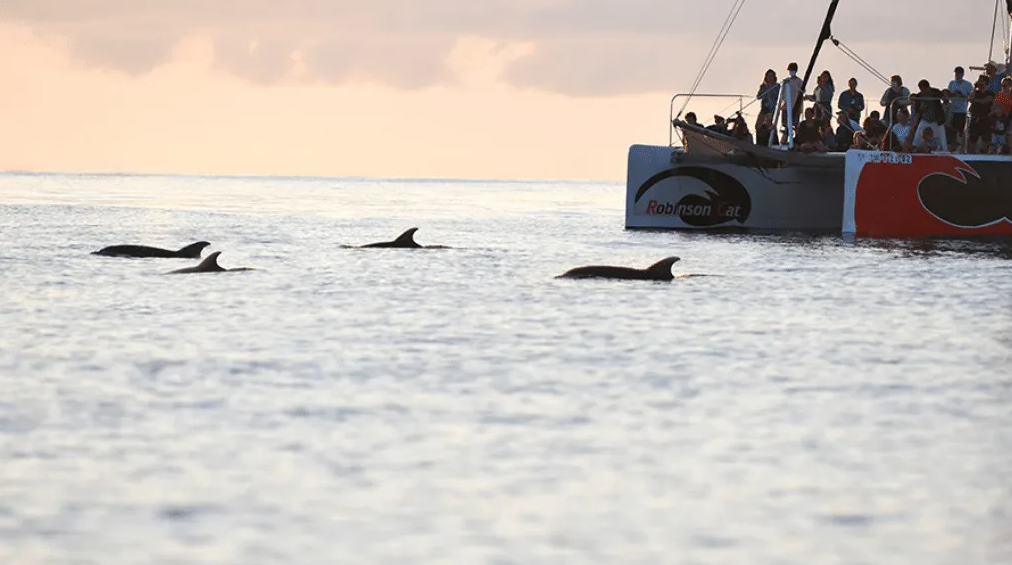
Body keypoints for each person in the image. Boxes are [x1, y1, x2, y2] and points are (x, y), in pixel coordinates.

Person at [910, 79, 947, 151]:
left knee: (941, 135)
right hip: (925, 119)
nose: (922, 91)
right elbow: (917, 112)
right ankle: (914, 147)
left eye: (923, 89)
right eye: (921, 89)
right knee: (919, 133)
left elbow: (945, 100)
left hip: (937, 119)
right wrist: (915, 123)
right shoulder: (919, 96)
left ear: (928, 87)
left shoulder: (936, 92)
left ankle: (944, 150)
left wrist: (943, 96)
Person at [947, 66, 974, 151]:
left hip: (961, 111)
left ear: (962, 74)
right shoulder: (952, 83)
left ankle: (959, 148)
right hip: (952, 110)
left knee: (959, 131)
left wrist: (961, 95)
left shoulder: (968, 84)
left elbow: (971, 96)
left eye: (958, 73)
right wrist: (952, 94)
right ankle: (952, 147)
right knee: (951, 129)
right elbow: (949, 94)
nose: (957, 75)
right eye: (956, 73)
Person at [967, 75, 995, 153]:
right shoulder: (976, 92)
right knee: (973, 138)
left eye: (980, 80)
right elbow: (970, 99)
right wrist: (974, 88)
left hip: (985, 118)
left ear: (985, 82)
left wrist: (975, 100)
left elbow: (985, 101)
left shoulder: (990, 93)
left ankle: (985, 153)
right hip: (975, 117)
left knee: (986, 138)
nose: (979, 82)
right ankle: (971, 153)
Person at [781, 62, 805, 141]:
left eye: (792, 70)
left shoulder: (800, 81)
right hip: (786, 106)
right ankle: (785, 139)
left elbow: (802, 94)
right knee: (785, 123)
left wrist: (800, 108)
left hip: (795, 106)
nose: (791, 72)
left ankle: (795, 140)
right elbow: (782, 93)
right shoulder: (786, 81)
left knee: (795, 124)